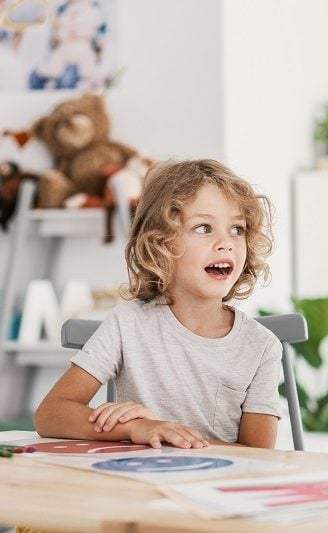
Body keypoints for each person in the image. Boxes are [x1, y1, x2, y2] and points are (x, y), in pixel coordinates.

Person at [35, 159, 282, 449]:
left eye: (237, 229)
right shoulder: (128, 324)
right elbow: (50, 414)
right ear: (159, 244)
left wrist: (175, 439)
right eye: (204, 228)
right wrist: (134, 427)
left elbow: (260, 456)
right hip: (141, 486)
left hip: (216, 486)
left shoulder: (262, 346)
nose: (226, 242)